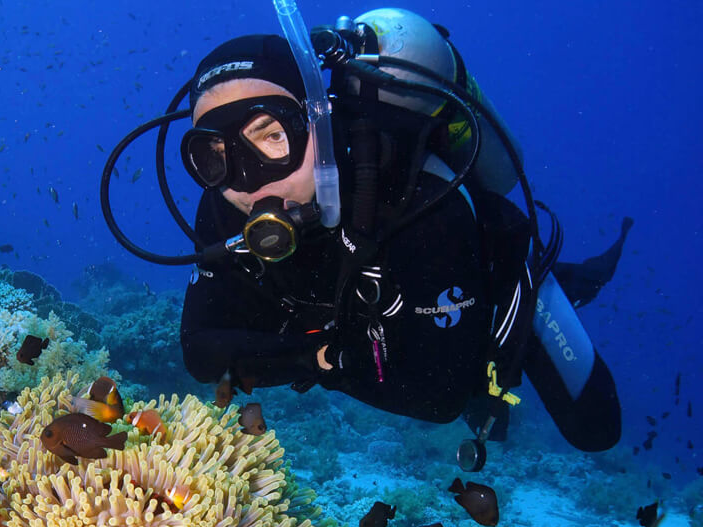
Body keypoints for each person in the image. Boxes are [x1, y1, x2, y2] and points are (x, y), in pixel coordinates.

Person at [169, 11, 622, 464]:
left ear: (317, 121)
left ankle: (561, 283)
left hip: (475, 294)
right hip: (363, 330)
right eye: (215, 154)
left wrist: (311, 359)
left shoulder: (422, 208)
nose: (247, 181)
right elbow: (200, 350)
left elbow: (440, 398)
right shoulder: (223, 205)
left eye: (271, 136)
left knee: (596, 429)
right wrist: (318, 355)